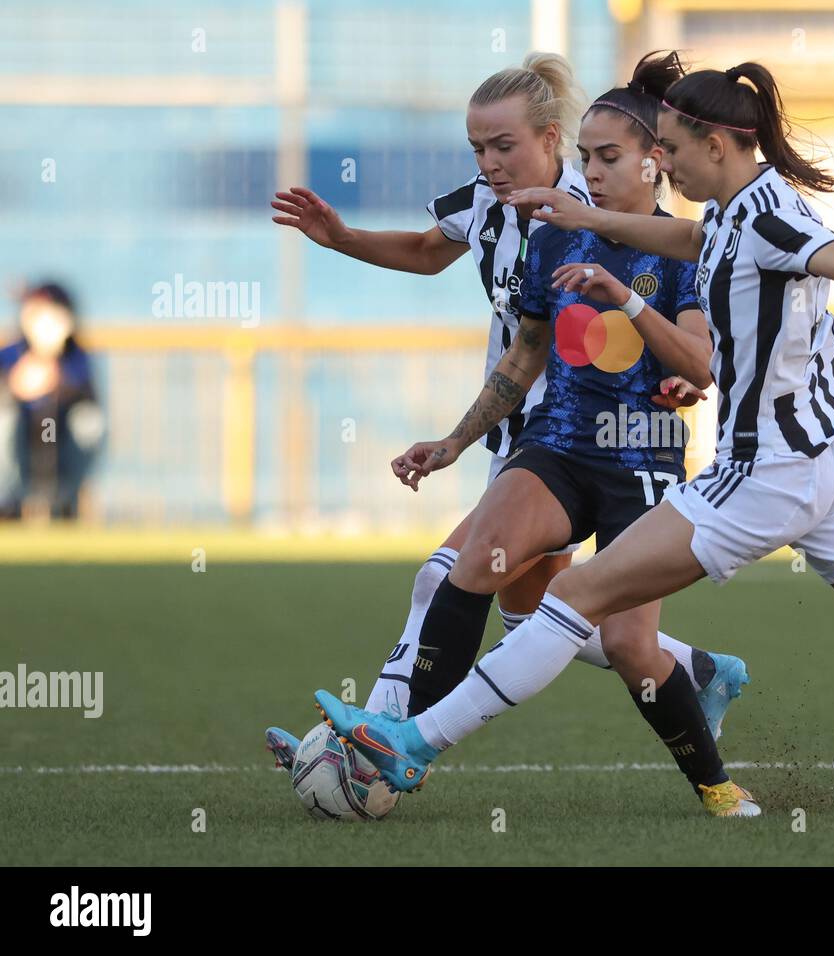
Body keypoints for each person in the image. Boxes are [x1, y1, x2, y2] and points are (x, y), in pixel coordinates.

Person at [315, 61, 834, 821]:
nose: (668, 164)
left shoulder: (770, 216)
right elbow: (688, 238)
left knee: (576, 600)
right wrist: (595, 221)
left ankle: (414, 744)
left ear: (719, 145)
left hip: (766, 474)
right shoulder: (728, 213)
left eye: (676, 150)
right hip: (828, 467)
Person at [266, 53, 748, 781]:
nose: (490, 164)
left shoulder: (619, 217)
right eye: (478, 150)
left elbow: (693, 335)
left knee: (450, 579)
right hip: (534, 438)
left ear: (553, 141)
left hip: (605, 446)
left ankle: (375, 744)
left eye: (505, 147)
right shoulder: (493, 206)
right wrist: (343, 238)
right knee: (534, 613)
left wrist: (679, 373)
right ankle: (697, 670)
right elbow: (432, 254)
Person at [0, 282, 104, 520]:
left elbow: (88, 397)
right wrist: (15, 386)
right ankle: (8, 500)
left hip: (60, 442)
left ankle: (66, 500)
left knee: (88, 421)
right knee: (3, 419)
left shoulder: (75, 355)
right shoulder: (11, 353)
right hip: (20, 444)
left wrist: (56, 377)